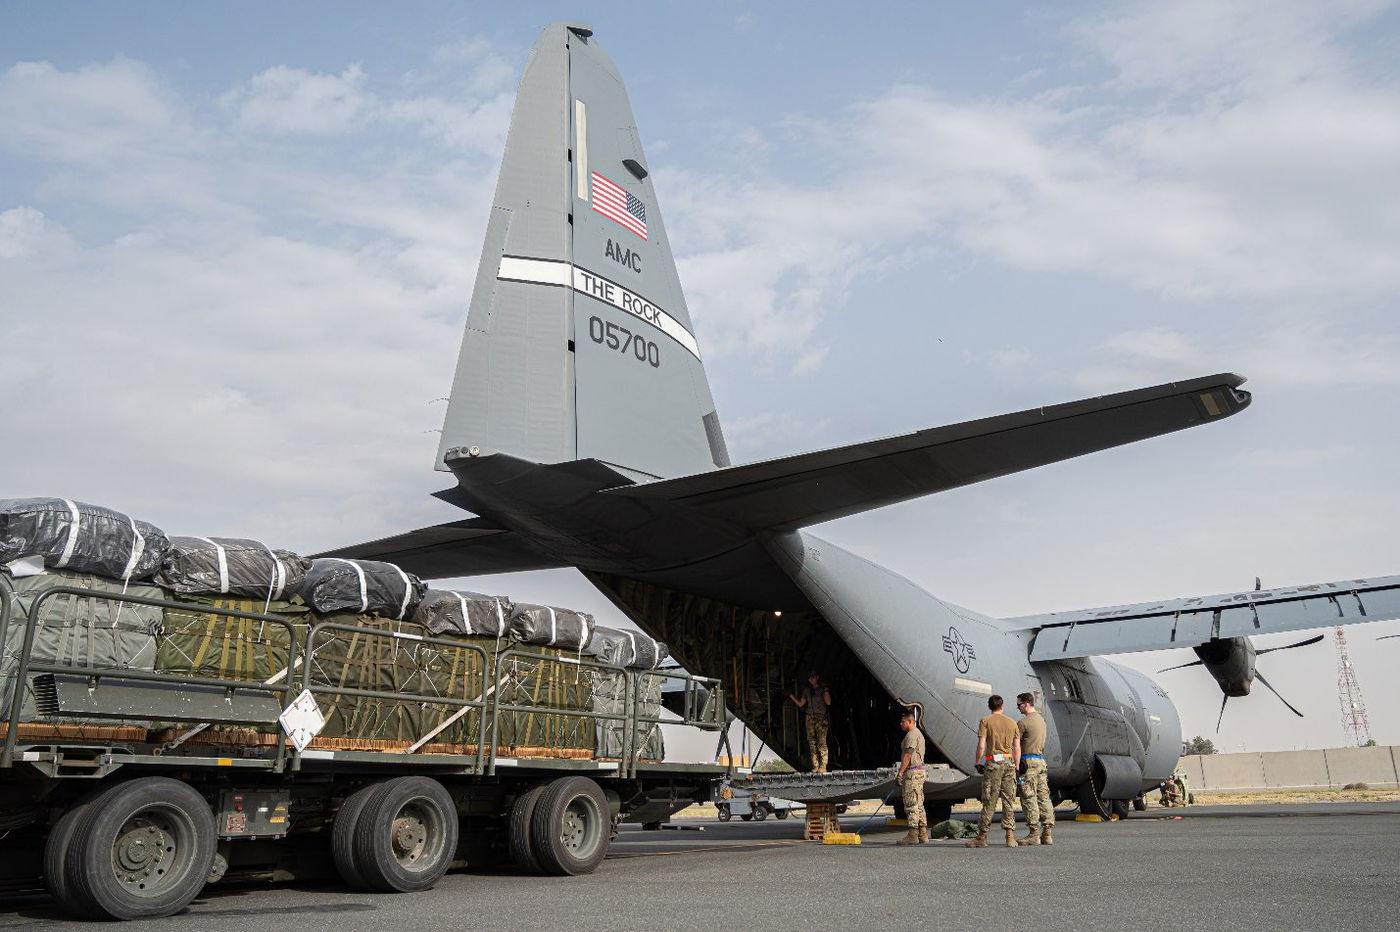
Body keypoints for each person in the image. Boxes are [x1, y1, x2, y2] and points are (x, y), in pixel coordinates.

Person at [965, 694, 1021, 848]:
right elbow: (1017, 747)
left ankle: (982, 837)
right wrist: (1016, 766)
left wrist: (977, 762)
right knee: (1008, 799)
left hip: (993, 763)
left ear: (989, 707)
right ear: (1002, 706)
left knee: (989, 799)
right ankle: (1010, 836)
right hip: (1009, 762)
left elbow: (981, 745)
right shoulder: (1012, 723)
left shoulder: (985, 721)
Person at [1014, 692, 1054, 846]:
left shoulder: (1023, 723)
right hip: (1040, 761)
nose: (1018, 708)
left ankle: (1033, 833)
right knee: (1043, 796)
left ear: (1026, 703)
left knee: (1028, 796)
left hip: (1027, 762)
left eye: (1019, 704)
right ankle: (1047, 833)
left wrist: (1016, 766)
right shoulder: (1042, 721)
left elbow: (1016, 746)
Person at [895, 709, 928, 845]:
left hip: (912, 773)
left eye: (903, 722)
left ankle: (912, 834)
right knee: (919, 803)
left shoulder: (911, 735)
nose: (900, 724)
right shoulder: (917, 734)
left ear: (910, 721)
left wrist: (900, 773)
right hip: (918, 772)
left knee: (911, 804)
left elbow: (908, 755)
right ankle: (923, 834)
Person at [788, 672, 831, 772]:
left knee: (821, 743)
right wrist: (791, 695)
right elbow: (800, 704)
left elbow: (828, 702)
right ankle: (815, 766)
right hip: (810, 718)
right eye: (809, 678)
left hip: (821, 718)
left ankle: (823, 766)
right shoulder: (807, 691)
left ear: (817, 677)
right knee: (812, 743)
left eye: (813, 677)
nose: (811, 680)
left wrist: (826, 690)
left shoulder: (822, 689)